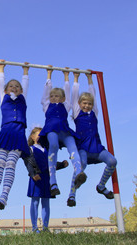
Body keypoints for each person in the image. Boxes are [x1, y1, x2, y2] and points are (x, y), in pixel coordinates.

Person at [38, 66, 87, 201]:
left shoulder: (66, 105)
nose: (54, 98)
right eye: (52, 96)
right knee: (53, 146)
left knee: (73, 148)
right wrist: (49, 74)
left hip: (65, 130)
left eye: (57, 96)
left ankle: (79, 172)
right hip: (51, 130)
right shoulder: (46, 104)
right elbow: (46, 91)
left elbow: (67, 90)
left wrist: (67, 77)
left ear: (63, 98)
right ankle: (53, 182)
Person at [69, 70, 117, 206]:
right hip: (83, 147)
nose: (87, 105)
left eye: (89, 103)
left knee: (112, 161)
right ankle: (72, 194)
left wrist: (90, 79)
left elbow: (93, 94)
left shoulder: (94, 113)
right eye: (84, 103)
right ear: (79, 103)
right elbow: (74, 96)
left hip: (96, 147)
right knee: (81, 166)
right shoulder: (77, 112)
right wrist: (76, 79)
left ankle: (101, 186)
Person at [0, 60, 32, 210]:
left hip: (18, 135)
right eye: (11, 86)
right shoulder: (4, 97)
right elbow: (1, 83)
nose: (14, 88)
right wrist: (1, 68)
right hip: (5, 134)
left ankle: (3, 198)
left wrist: (25, 71)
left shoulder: (22, 98)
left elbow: (25, 84)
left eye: (17, 86)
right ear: (6, 90)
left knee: (11, 164)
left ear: (20, 90)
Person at [27, 127, 68, 233]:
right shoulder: (30, 149)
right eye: (38, 134)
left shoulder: (47, 150)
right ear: (33, 136)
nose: (41, 136)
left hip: (47, 178)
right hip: (36, 177)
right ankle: (34, 227)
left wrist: (62, 165)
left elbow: (51, 164)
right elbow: (28, 163)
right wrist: (33, 173)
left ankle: (45, 227)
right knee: (35, 201)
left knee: (46, 202)